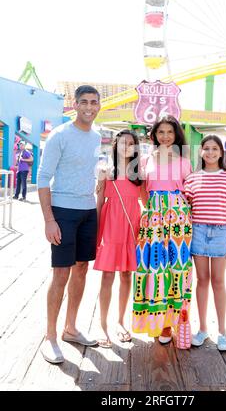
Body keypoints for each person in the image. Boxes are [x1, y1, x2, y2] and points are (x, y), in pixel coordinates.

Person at [37, 85, 101, 364]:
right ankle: (50, 336)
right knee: (60, 274)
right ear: (75, 105)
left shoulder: (98, 136)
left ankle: (71, 328)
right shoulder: (59, 135)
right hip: (63, 211)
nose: (89, 106)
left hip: (89, 210)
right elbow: (42, 178)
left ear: (99, 105)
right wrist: (49, 220)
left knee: (82, 270)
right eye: (84, 102)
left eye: (94, 102)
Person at [132, 115, 192, 344]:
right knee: (154, 268)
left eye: (169, 132)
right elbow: (142, 190)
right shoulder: (147, 159)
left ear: (176, 134)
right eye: (161, 132)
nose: (165, 136)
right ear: (154, 135)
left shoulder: (184, 161)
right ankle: (155, 322)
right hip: (153, 218)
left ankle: (172, 324)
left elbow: (190, 192)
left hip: (178, 219)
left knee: (176, 269)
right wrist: (152, 210)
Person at [184, 135, 226, 351]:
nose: (210, 152)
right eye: (206, 148)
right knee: (202, 280)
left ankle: (223, 332)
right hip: (197, 231)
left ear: (221, 152)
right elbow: (187, 209)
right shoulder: (192, 178)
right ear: (201, 152)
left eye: (214, 148)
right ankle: (203, 329)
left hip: (220, 233)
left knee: (218, 280)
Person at [94, 130, 142, 348]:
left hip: (132, 225)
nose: (127, 146)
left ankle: (121, 322)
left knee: (126, 275)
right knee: (107, 276)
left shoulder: (139, 173)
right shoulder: (105, 169)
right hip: (110, 225)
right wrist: (95, 232)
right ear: (115, 144)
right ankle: (102, 325)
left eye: (131, 143)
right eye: (123, 142)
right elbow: (99, 201)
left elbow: (147, 202)